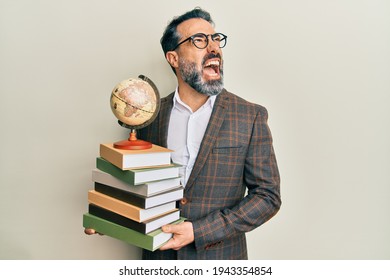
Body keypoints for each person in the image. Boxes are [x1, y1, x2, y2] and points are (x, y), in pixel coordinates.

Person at [86, 7, 281, 260]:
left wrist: (198, 231)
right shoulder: (150, 117)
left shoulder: (250, 116)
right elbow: (139, 187)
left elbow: (268, 197)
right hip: (158, 260)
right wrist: (110, 218)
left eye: (215, 39)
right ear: (174, 58)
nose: (213, 48)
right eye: (199, 40)